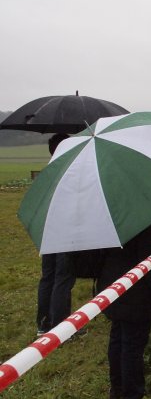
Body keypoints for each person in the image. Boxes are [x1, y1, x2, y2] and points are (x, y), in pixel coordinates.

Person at [97, 220, 151, 399]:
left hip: (113, 287)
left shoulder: (112, 218)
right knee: (132, 346)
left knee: (117, 339)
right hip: (137, 295)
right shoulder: (148, 223)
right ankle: (133, 398)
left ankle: (117, 389)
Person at [36, 133, 76, 336]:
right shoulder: (69, 171)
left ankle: (43, 324)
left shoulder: (47, 172)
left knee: (48, 277)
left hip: (47, 232)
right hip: (64, 232)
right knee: (63, 278)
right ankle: (60, 327)